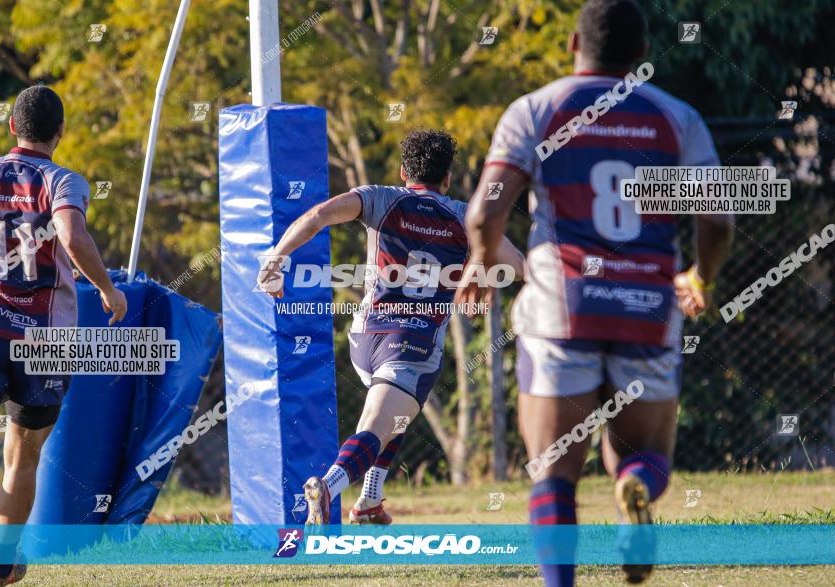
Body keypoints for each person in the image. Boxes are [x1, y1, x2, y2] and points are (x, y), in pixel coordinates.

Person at [458, 0, 733, 584]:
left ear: (571, 48)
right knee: (641, 454)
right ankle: (635, 488)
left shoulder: (536, 109)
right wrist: (700, 279)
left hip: (564, 307)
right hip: (647, 307)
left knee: (553, 473)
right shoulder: (675, 116)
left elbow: (484, 215)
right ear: (641, 55)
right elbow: (717, 221)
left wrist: (482, 265)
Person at [258, 128, 524, 525]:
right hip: (412, 344)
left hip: (364, 339)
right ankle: (327, 488)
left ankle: (370, 499)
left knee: (394, 413)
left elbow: (317, 216)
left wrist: (276, 257)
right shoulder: (466, 219)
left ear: (404, 172)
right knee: (379, 421)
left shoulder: (379, 199)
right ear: (447, 178)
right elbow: (519, 266)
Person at [0, 85, 127, 587]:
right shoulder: (63, 180)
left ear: (11, 126)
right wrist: (109, 291)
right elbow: (72, 236)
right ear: (60, 133)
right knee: (22, 455)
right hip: (44, 342)